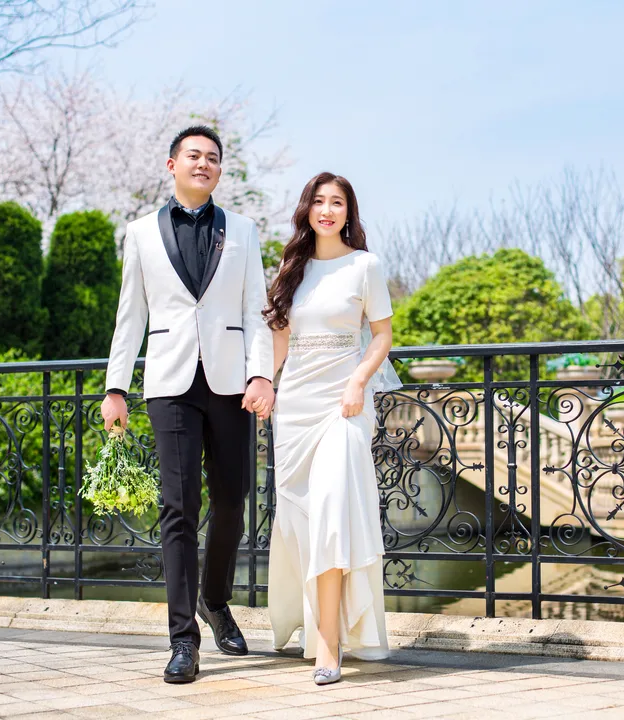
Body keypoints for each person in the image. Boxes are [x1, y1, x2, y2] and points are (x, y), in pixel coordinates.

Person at [101, 125, 274, 683]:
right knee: (178, 509)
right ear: (172, 164)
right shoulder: (140, 233)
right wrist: (116, 387)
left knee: (232, 503)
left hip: (231, 384)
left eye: (213, 158)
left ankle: (214, 599)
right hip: (169, 385)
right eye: (194, 155)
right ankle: (183, 640)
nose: (204, 163)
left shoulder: (243, 230)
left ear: (220, 169)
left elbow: (255, 310)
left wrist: (261, 374)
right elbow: (130, 314)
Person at [264, 172, 400, 686]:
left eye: (336, 202)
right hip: (295, 406)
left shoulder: (365, 265)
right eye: (318, 201)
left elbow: (382, 335)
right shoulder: (291, 268)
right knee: (302, 520)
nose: (327, 210)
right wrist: (264, 384)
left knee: (333, 515)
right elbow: (281, 340)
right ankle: (311, 624)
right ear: (307, 209)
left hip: (344, 405)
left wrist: (358, 382)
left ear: (348, 212)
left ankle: (329, 644)